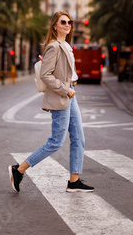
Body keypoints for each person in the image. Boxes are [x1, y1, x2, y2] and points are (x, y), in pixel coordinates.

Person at [9, 11, 94, 193]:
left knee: (79, 138)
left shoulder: (66, 46)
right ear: (54, 25)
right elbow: (45, 75)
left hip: (71, 94)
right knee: (56, 142)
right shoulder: (53, 47)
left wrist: (71, 90)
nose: (67, 25)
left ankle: (74, 181)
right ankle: (19, 169)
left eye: (69, 22)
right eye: (63, 22)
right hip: (62, 95)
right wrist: (66, 89)